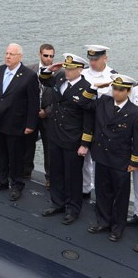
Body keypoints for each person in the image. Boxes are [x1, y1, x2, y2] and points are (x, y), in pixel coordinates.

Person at [39, 53, 95, 225]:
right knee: (56, 172)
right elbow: (44, 80)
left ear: (80, 69)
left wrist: (85, 144)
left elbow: (89, 118)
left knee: (72, 176)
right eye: (66, 68)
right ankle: (58, 203)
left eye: (71, 69)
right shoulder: (60, 78)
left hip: (72, 138)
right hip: (55, 135)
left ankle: (73, 208)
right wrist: (49, 69)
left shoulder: (87, 88)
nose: (67, 71)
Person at [82, 74, 138, 243]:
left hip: (120, 160)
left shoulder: (134, 112)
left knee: (120, 196)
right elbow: (83, 103)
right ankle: (103, 221)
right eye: (114, 88)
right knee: (102, 192)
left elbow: (137, 138)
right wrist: (95, 86)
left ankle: (117, 227)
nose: (116, 92)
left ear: (128, 91)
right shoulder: (103, 102)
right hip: (102, 156)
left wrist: (134, 161)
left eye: (120, 89)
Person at [0, 44, 39, 201]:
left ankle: (16, 185)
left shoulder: (29, 76)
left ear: (20, 57)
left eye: (12, 54)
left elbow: (33, 103)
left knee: (16, 157)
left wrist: (30, 125)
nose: (8, 56)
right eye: (7, 53)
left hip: (16, 123)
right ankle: (1, 180)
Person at [80, 45, 117, 199]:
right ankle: (85, 189)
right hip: (83, 122)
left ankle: (102, 195)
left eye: (96, 59)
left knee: (101, 162)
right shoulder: (82, 74)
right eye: (90, 59)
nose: (92, 62)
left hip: (102, 124)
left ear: (105, 58)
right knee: (83, 159)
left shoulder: (113, 77)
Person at [25, 43, 55, 188]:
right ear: (40, 54)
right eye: (46, 55)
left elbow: (60, 98)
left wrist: (47, 111)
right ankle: (26, 171)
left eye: (51, 56)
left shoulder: (58, 73)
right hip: (31, 114)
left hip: (48, 116)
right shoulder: (29, 70)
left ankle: (50, 177)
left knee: (49, 148)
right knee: (28, 144)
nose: (49, 59)